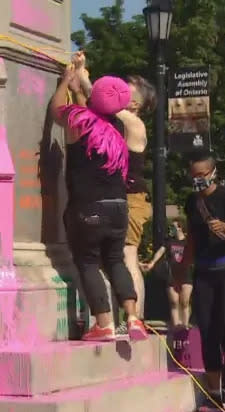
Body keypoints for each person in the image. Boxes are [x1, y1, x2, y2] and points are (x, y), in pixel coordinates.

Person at [51, 65, 148, 342]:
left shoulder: (78, 121)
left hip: (88, 205)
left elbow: (57, 110)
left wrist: (64, 84)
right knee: (116, 260)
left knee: (88, 262)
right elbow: (98, 109)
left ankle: (104, 323)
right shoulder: (123, 128)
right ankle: (133, 318)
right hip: (119, 206)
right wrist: (82, 86)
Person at [71, 52, 157, 327]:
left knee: (128, 256)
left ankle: (135, 319)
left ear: (137, 103)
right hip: (121, 198)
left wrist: (84, 76)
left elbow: (100, 100)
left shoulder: (133, 122)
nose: (117, 92)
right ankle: (128, 320)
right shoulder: (116, 121)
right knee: (115, 260)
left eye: (125, 91)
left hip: (131, 198)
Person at [179, 149, 225, 412]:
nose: (198, 180)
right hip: (205, 272)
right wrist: (182, 270)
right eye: (194, 175)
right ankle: (213, 393)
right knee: (208, 331)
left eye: (202, 175)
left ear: (213, 173)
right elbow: (191, 238)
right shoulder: (192, 202)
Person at [141, 219, 193, 329]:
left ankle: (185, 326)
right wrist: (152, 263)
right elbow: (160, 252)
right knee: (174, 302)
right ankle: (177, 327)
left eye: (173, 227)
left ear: (180, 228)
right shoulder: (169, 241)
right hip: (172, 275)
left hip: (185, 274)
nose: (171, 229)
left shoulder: (187, 241)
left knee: (184, 302)